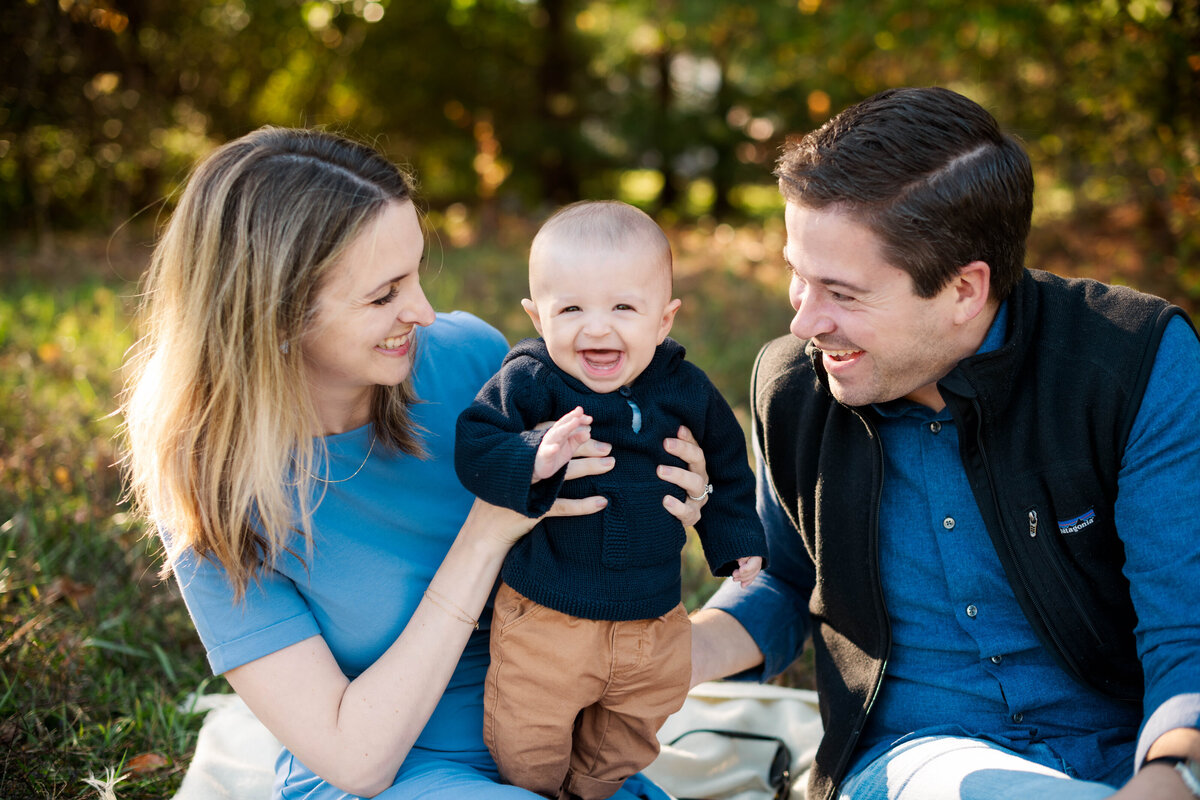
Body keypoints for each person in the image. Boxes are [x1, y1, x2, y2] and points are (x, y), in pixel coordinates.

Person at [120, 128, 716, 800]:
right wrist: (488, 529)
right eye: (383, 296)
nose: (424, 311)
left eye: (417, 273)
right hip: (397, 773)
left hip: (561, 745)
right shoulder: (212, 489)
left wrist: (672, 488)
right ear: (275, 316)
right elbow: (355, 758)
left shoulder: (470, 359)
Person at [689, 87, 1200, 800]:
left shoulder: (1132, 366)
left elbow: (1187, 629)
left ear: (965, 289)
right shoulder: (794, 391)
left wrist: (1172, 774)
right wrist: (673, 656)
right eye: (796, 276)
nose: (805, 322)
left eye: (842, 293)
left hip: (1130, 757)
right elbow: (782, 578)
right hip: (915, 766)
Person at [454, 200, 768, 800]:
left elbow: (727, 468)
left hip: (652, 616)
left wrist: (735, 541)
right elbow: (475, 444)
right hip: (549, 613)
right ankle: (537, 790)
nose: (597, 328)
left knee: (632, 732)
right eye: (571, 308)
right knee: (529, 736)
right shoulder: (530, 382)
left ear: (664, 319)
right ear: (536, 316)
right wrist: (533, 455)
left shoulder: (685, 390)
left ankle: (596, 790)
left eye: (624, 307)